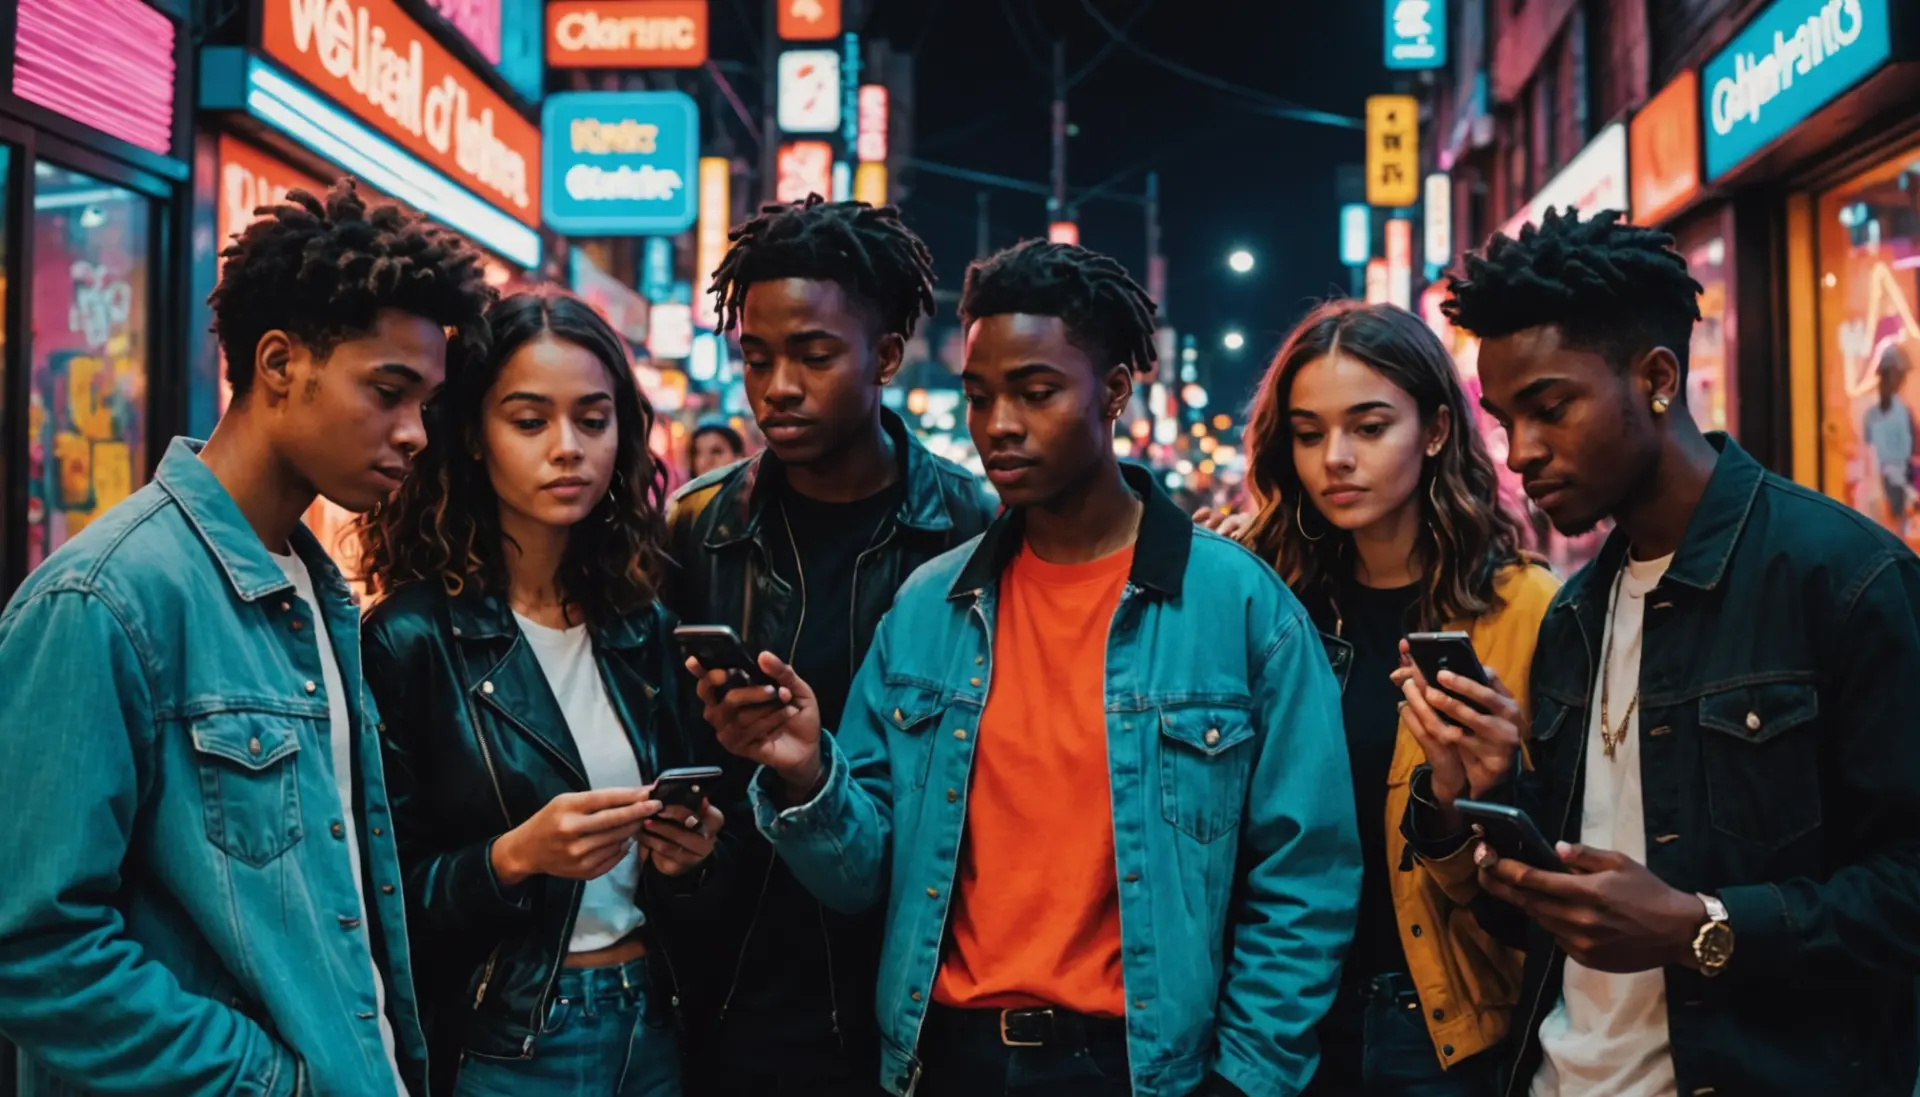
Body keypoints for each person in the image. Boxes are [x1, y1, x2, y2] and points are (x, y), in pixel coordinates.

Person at [693, 239, 1362, 1097]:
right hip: (945, 1059)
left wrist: (1245, 1081)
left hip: (1139, 1065)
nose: (999, 423)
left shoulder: (1240, 608)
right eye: (980, 396)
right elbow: (863, 877)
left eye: (1036, 392)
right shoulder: (931, 609)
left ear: (1114, 388)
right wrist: (804, 769)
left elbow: (1308, 877)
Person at [1404, 207, 1920, 1097]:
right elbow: (1559, 921)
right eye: (1504, 418)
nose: (1521, 451)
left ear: (1655, 377)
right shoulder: (1571, 618)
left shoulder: (1844, 579)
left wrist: (1703, 926)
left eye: (1551, 407)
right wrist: (1485, 797)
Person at [0, 179, 493, 1094]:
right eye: (388, 392)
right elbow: (35, 947)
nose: (415, 433)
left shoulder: (318, 593)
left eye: (423, 403)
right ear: (278, 362)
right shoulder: (104, 598)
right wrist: (276, 1081)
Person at [664, 195, 998, 1097]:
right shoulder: (696, 526)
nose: (777, 386)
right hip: (728, 990)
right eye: (757, 357)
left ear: (885, 355)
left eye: (813, 356)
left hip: (922, 992)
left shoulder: (975, 530)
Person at [358, 292, 724, 1097]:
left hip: (654, 1022)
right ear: (476, 439)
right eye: (530, 421)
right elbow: (379, 893)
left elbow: (690, 871)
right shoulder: (411, 639)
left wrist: (689, 858)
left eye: (593, 420)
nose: (568, 449)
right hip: (511, 1038)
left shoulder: (643, 625)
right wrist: (515, 856)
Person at [1214, 300, 1558, 1096]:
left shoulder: (1521, 608)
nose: (1336, 457)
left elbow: (1544, 863)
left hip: (1438, 1029)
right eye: (1308, 433)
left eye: (1369, 427)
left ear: (1436, 429)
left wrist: (1474, 792)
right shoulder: (1257, 596)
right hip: (1271, 1020)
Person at [1863, 340, 1915, 537]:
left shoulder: (1903, 412)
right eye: (1897, 374)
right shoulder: (1870, 412)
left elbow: (1909, 452)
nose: (1900, 380)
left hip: (1899, 481)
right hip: (1877, 485)